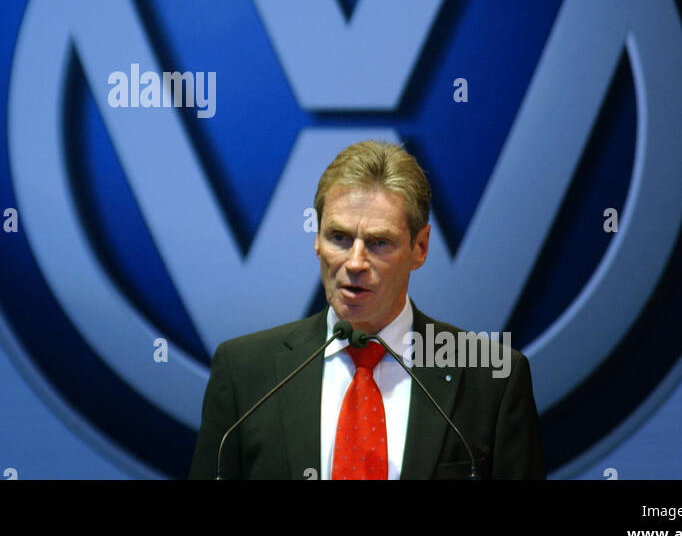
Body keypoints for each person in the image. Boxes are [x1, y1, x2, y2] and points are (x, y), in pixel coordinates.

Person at [188, 140, 545, 479]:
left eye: (379, 243)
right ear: (316, 240)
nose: (355, 262)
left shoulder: (491, 377)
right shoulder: (244, 373)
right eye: (339, 237)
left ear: (420, 247)